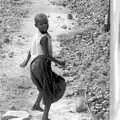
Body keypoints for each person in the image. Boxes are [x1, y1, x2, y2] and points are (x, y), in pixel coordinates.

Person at [20, 13, 65, 120]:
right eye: (41, 24)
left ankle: (36, 104)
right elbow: (46, 55)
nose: (44, 25)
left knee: (42, 86)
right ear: (36, 25)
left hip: (33, 65)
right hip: (41, 65)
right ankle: (45, 116)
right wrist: (59, 62)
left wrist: (26, 61)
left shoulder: (36, 35)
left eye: (46, 23)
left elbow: (31, 50)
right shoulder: (44, 38)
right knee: (50, 88)